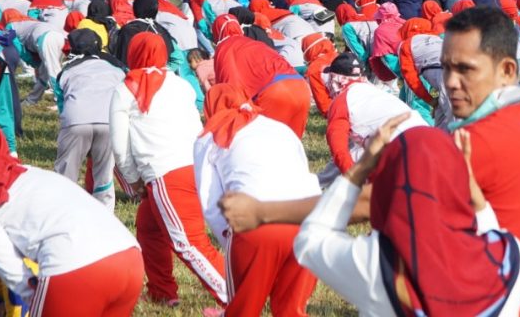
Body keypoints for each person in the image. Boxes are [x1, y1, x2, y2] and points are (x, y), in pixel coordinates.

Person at [294, 120, 520, 316]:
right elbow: (490, 229)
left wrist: (361, 168)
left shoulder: (377, 263)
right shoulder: (512, 258)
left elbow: (310, 239)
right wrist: (465, 176)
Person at [0, 123, 143, 316]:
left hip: (75, 267)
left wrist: (35, 298)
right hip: (129, 257)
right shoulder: (27, 171)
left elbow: (6, 262)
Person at [442, 7, 520, 316]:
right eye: (446, 68)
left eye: (465, 69)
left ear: (506, 70)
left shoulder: (475, 141)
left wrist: (298, 211)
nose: (451, 82)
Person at [109, 33, 228, 306]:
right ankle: (162, 292)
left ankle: (237, 296)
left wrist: (132, 181)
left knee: (189, 242)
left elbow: (119, 145)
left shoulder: (125, 88)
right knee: (149, 229)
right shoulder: (180, 83)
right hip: (197, 162)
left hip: (164, 170)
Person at [194, 85, 321, 317]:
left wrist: (232, 243)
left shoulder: (210, 136)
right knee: (292, 310)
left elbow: (211, 204)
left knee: (243, 310)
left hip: (256, 224)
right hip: (308, 220)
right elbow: (304, 172)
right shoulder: (279, 128)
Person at [55, 28, 126, 210]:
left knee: (66, 173)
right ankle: (105, 217)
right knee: (104, 173)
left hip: (76, 119)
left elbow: (62, 105)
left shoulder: (67, 71)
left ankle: (63, 212)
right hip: (108, 120)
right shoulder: (115, 68)